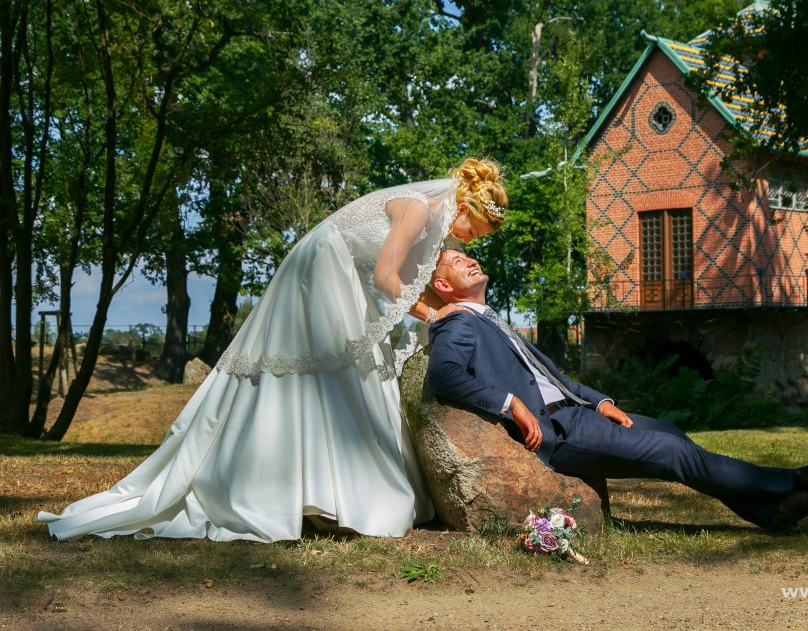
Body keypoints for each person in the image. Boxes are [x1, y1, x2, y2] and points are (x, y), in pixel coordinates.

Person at [39, 158, 508, 542]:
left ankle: (324, 491)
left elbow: (407, 285)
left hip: (335, 267)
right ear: (464, 207)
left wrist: (448, 311)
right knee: (332, 365)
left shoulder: (430, 219)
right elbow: (388, 281)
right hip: (323, 264)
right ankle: (315, 492)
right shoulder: (420, 211)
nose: (467, 240)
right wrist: (438, 316)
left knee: (344, 369)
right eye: (474, 231)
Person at [426, 250, 808, 531]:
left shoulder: (490, 319)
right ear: (443, 286)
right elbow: (443, 376)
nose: (471, 259)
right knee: (673, 455)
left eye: (469, 255)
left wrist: (602, 402)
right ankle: (792, 482)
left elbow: (558, 380)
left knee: (670, 433)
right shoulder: (458, 322)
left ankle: (771, 514)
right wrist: (510, 403)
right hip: (559, 432)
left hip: (580, 413)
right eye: (458, 261)